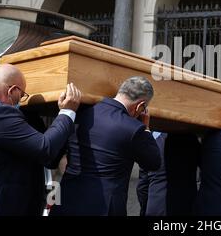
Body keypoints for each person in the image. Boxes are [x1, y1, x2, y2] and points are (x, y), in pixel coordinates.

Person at [49, 76, 161, 216]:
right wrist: (146, 128)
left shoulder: (76, 114)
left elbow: (52, 160)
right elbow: (154, 162)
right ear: (140, 106)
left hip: (67, 202)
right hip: (105, 208)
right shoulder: (134, 129)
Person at [0, 63, 81, 215]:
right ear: (12, 90)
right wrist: (67, 112)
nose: (21, 102)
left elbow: (48, 158)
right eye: (21, 96)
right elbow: (44, 148)